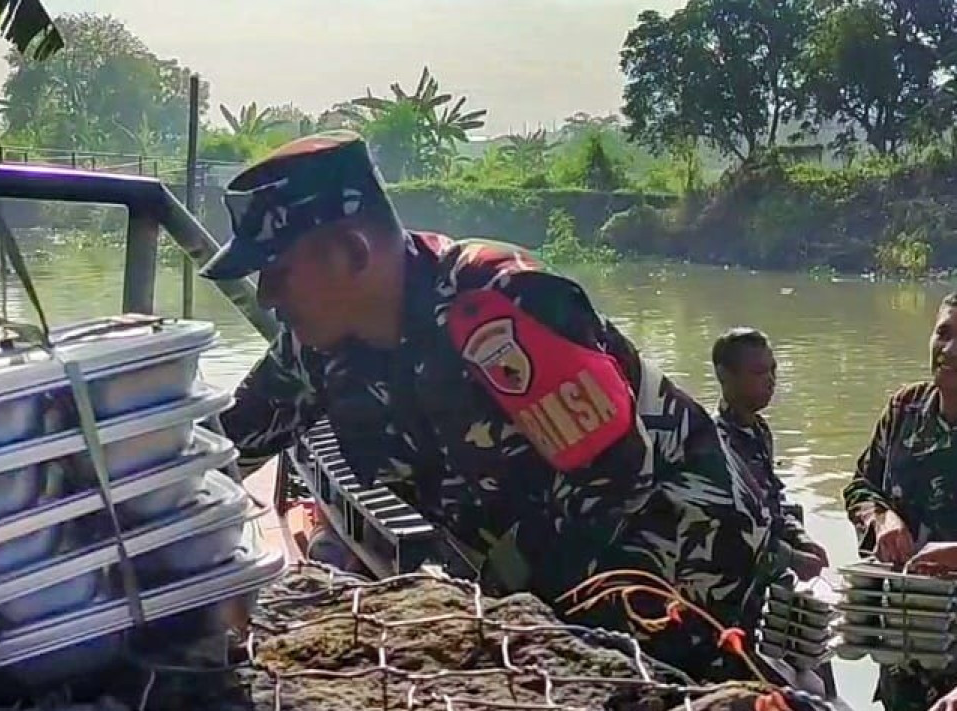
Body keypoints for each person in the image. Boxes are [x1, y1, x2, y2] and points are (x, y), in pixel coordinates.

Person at [200, 130, 779, 682]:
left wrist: (502, 611)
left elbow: (618, 479)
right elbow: (222, 446)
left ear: (351, 254)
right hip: (532, 562)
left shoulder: (501, 305)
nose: (268, 296)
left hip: (684, 549)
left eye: (276, 273)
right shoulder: (315, 346)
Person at [843, 292, 957, 711]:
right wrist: (882, 518)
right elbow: (859, 486)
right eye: (944, 333)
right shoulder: (905, 408)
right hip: (903, 644)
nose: (950, 350)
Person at [712, 327, 829, 581]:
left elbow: (771, 503)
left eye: (772, 370)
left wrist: (799, 536)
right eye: (758, 372)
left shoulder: (758, 430)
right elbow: (730, 530)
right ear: (724, 376)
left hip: (765, 568)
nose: (770, 380)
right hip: (728, 582)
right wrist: (792, 559)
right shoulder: (712, 443)